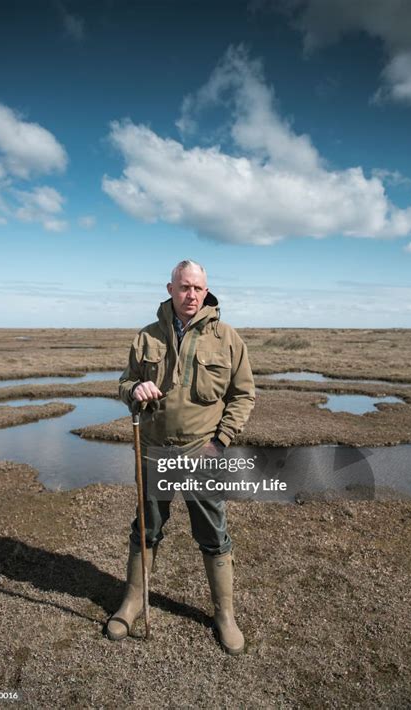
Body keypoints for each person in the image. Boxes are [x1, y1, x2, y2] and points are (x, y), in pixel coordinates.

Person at [107, 260, 255, 654]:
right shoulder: (146, 337)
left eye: (198, 288)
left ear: (207, 292)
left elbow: (243, 396)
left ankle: (224, 614)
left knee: (212, 533)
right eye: (184, 286)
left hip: (202, 452)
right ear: (170, 288)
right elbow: (123, 384)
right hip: (153, 450)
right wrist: (133, 390)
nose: (191, 295)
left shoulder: (227, 338)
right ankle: (133, 602)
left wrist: (220, 442)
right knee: (147, 528)